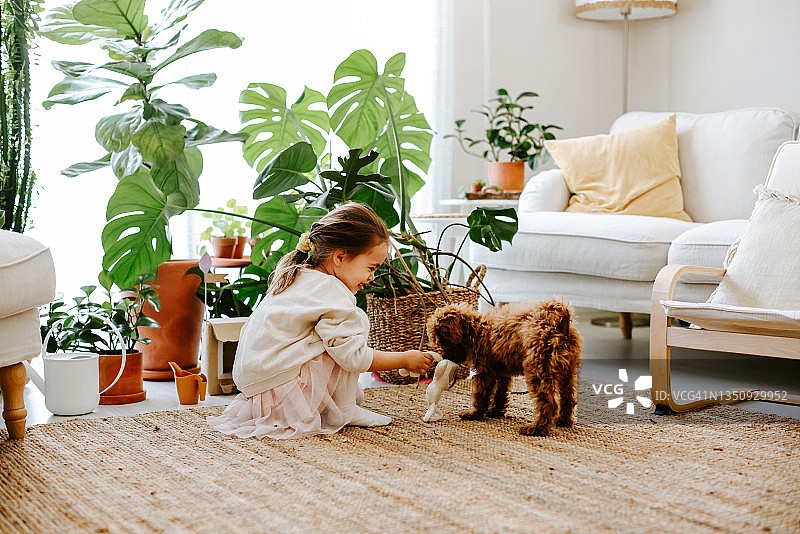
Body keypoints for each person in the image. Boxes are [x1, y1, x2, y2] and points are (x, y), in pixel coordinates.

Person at [208, 203, 435, 439]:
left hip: (259, 392)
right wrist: (404, 359)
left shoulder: (298, 273)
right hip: (283, 393)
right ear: (340, 257)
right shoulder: (333, 291)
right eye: (371, 267)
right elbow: (353, 357)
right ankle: (344, 409)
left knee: (338, 331)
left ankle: (341, 403)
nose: (372, 277)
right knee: (350, 328)